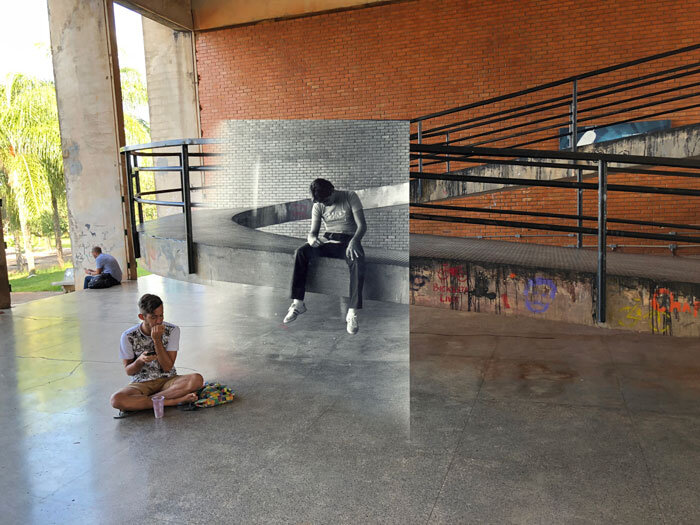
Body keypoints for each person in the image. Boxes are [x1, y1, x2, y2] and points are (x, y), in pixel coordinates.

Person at [284, 178, 367, 334]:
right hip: (328, 239)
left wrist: (355, 241)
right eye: (322, 202)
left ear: (332, 190)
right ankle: (298, 303)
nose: (326, 204)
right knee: (301, 252)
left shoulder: (350, 196)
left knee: (357, 260)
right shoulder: (318, 205)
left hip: (349, 239)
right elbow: (313, 232)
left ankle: (352, 312)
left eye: (327, 200)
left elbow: (362, 225)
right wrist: (311, 239)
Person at [110, 293, 204, 417]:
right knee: (116, 400)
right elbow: (129, 371)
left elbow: (167, 367)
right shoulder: (128, 336)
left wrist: (157, 340)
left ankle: (145, 402)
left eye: (161, 315)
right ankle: (175, 401)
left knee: (196, 379)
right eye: (153, 317)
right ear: (142, 317)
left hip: (168, 381)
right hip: (141, 384)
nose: (159, 321)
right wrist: (140, 360)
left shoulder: (172, 330)